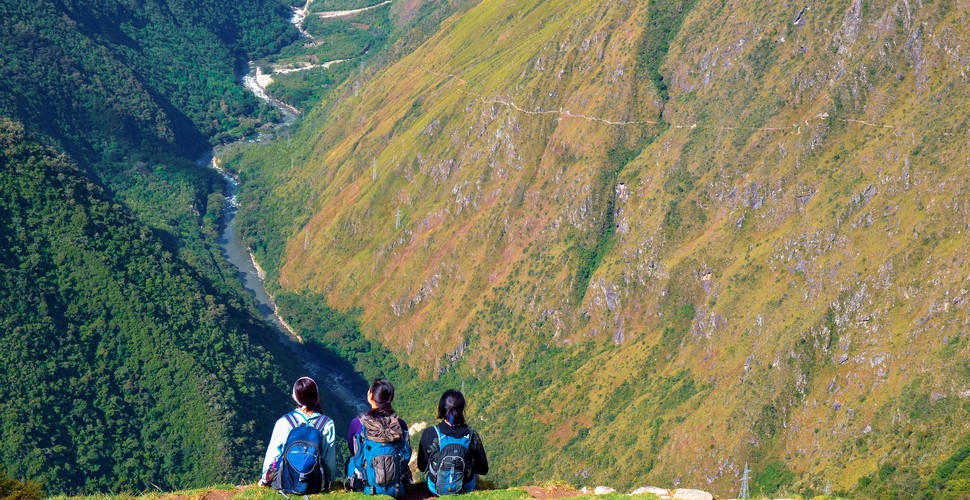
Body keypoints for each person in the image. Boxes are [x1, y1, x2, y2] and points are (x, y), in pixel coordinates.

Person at [259, 377, 337, 493]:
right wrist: (329, 480)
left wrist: (265, 478)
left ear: (294, 398)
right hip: (315, 483)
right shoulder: (327, 423)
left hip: (287, 480)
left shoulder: (284, 422)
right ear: (317, 398)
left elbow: (273, 453)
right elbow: (329, 457)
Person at [346, 379, 413, 496]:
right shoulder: (399, 424)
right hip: (396, 487)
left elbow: (354, 451)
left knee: (351, 461)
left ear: (371, 396)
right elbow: (406, 454)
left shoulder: (358, 423)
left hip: (368, 486)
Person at [418, 389, 488, 495]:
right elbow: (483, 469)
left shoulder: (430, 433)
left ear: (441, 408)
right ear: (462, 410)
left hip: (435, 488)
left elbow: (421, 466)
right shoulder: (471, 435)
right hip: (465, 487)